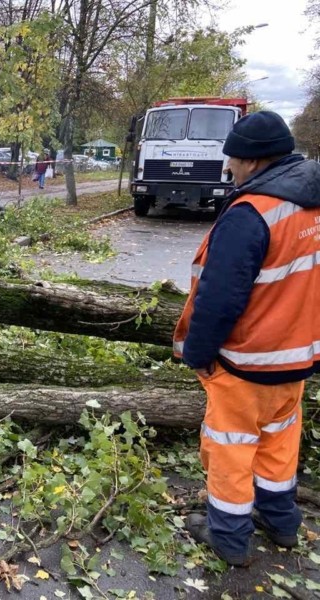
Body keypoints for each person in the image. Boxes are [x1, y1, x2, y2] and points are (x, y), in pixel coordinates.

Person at [174, 111, 320, 567]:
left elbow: (219, 298)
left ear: (254, 161)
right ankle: (282, 524)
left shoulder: (251, 212)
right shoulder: (311, 204)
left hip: (248, 360)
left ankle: (229, 537)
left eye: (232, 161)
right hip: (297, 358)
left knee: (230, 448)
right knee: (279, 442)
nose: (229, 170)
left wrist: (197, 354)